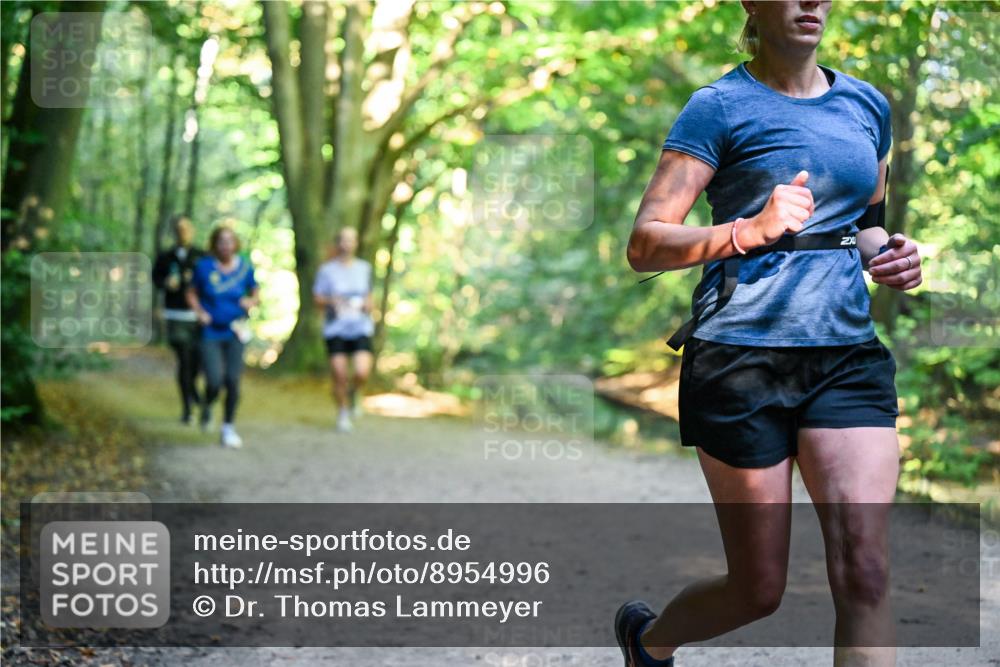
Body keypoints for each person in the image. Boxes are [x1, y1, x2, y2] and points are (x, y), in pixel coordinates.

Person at [617, 2, 922, 666]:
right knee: (757, 589)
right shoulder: (719, 106)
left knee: (865, 569)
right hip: (739, 359)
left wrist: (891, 255)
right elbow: (645, 244)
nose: (811, 1)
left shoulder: (867, 105)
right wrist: (746, 231)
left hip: (845, 354)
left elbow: (866, 224)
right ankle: (650, 642)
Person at [186, 225, 259, 449]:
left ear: (235, 244)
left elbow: (256, 291)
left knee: (233, 380)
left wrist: (251, 301)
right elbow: (191, 293)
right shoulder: (204, 267)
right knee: (214, 380)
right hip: (210, 332)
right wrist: (199, 312)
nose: (225, 245)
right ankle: (207, 404)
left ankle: (228, 427)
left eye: (229, 241)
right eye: (221, 241)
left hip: (235, 331)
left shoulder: (244, 267)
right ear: (214, 244)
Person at [312, 227, 374, 433]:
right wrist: (333, 301)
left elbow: (369, 295)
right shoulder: (326, 270)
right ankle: (343, 413)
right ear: (338, 243)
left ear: (356, 243)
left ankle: (354, 392)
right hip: (335, 327)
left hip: (360, 326)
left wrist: (367, 304)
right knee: (339, 374)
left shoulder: (364, 268)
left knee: (362, 371)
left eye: (351, 240)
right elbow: (317, 298)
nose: (347, 244)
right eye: (344, 240)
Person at [152, 214, 205, 424]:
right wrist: (166, 283)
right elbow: (155, 279)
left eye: (186, 228)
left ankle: (192, 389)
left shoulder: (202, 256)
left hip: (198, 317)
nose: (183, 232)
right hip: (175, 315)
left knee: (197, 362)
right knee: (184, 359)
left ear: (192, 230)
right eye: (179, 229)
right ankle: (187, 408)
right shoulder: (165, 257)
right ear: (174, 232)